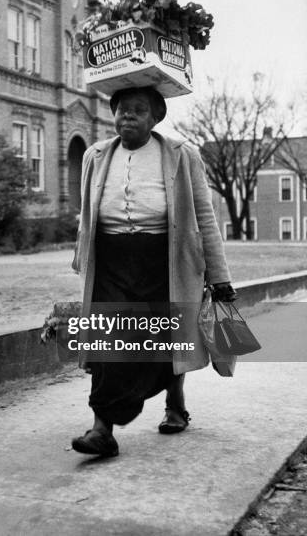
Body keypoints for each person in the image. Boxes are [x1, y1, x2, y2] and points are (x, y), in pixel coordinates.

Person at [71, 86, 235, 457]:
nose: (128, 116)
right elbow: (86, 213)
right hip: (111, 261)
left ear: (155, 117)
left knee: (165, 339)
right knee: (107, 341)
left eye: (138, 110)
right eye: (122, 109)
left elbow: (204, 216)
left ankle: (175, 404)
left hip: (165, 259)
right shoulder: (95, 155)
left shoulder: (181, 155)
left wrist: (219, 275)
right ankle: (102, 430)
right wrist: (81, 260)